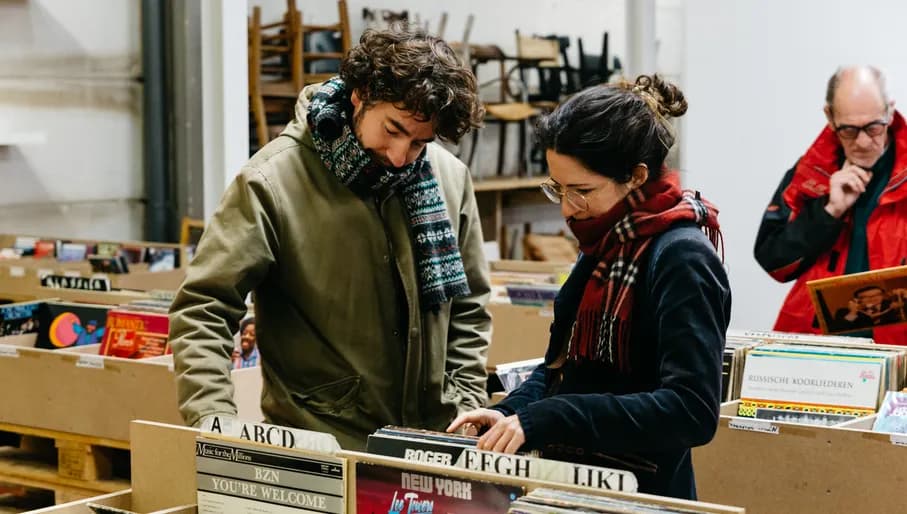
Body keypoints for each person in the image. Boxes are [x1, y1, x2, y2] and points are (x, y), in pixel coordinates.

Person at [169, 26, 491, 450]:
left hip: (435, 444)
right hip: (322, 448)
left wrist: (465, 401)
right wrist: (215, 423)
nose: (400, 156)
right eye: (392, 129)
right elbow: (203, 308)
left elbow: (468, 307)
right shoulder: (272, 183)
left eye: (419, 143)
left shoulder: (449, 178)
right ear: (360, 96)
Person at [448, 75, 731, 500]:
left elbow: (691, 410)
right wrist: (507, 412)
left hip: (643, 497)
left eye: (581, 191)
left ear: (636, 176)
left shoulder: (682, 257)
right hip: (576, 487)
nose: (566, 208)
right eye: (557, 189)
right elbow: (564, 372)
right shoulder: (605, 243)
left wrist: (552, 417)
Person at [755, 66, 907, 344]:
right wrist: (828, 211)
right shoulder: (811, 173)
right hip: (822, 353)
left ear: (889, 112)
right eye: (848, 130)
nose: (862, 142)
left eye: (874, 127)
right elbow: (772, 258)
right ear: (829, 117)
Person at [831, 285, 905, 332]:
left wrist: (905, 295)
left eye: (877, 295)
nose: (872, 298)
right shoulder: (844, 312)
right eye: (866, 297)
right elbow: (838, 330)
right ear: (857, 300)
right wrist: (852, 313)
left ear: (883, 296)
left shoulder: (895, 305)